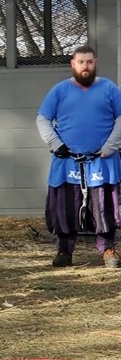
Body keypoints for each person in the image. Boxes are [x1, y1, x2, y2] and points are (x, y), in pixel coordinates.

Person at [37, 44, 121, 268]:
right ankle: (64, 251)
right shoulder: (59, 90)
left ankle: (108, 249)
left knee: (105, 206)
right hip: (67, 162)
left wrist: (110, 145)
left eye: (90, 62)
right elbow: (42, 119)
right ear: (72, 64)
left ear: (95, 63)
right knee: (65, 207)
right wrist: (56, 144)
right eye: (81, 62)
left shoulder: (109, 88)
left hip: (101, 161)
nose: (86, 66)